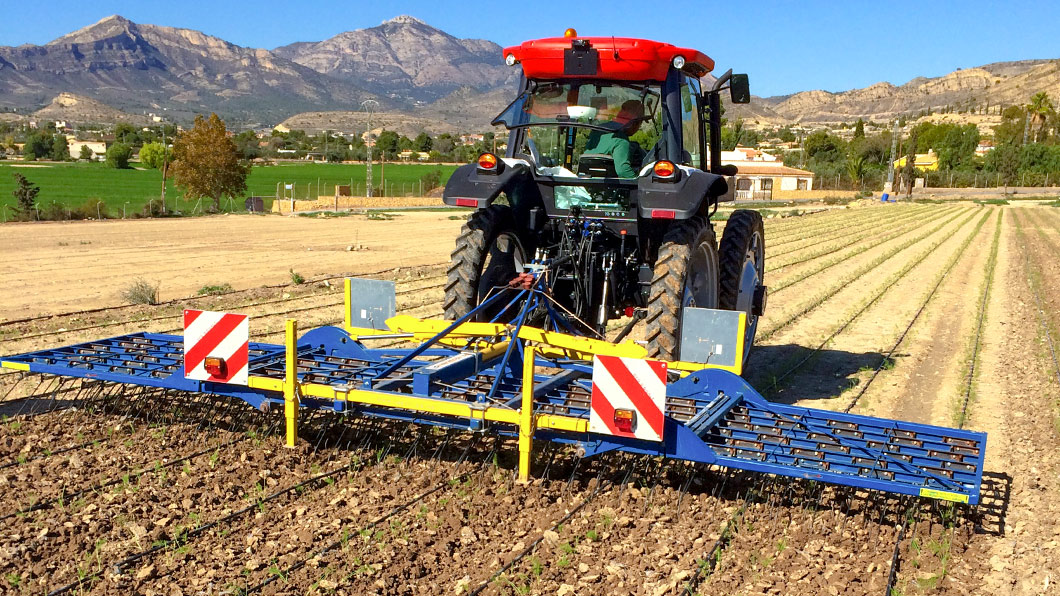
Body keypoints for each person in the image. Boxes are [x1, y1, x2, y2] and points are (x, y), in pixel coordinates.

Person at [583, 100, 646, 178]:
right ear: (635, 123)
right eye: (640, 124)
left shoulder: (597, 131)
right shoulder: (621, 140)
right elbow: (623, 171)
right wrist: (639, 181)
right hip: (608, 186)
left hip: (588, 181)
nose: (638, 128)